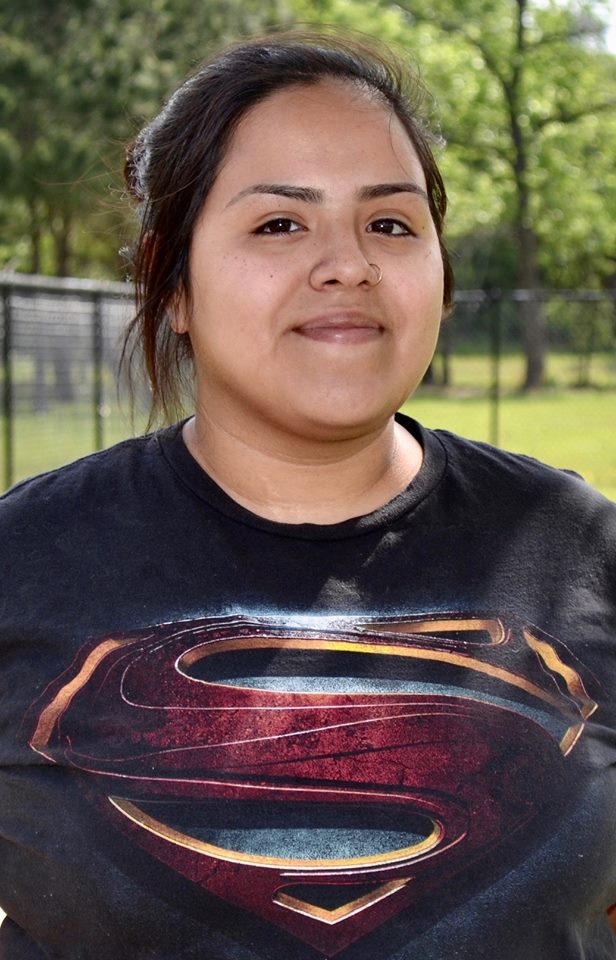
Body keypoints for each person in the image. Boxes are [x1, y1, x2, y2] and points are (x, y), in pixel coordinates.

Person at [0, 30, 614, 960]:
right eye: (280, 224)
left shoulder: (585, 552)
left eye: (392, 223)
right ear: (174, 281)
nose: (349, 264)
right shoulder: (24, 561)